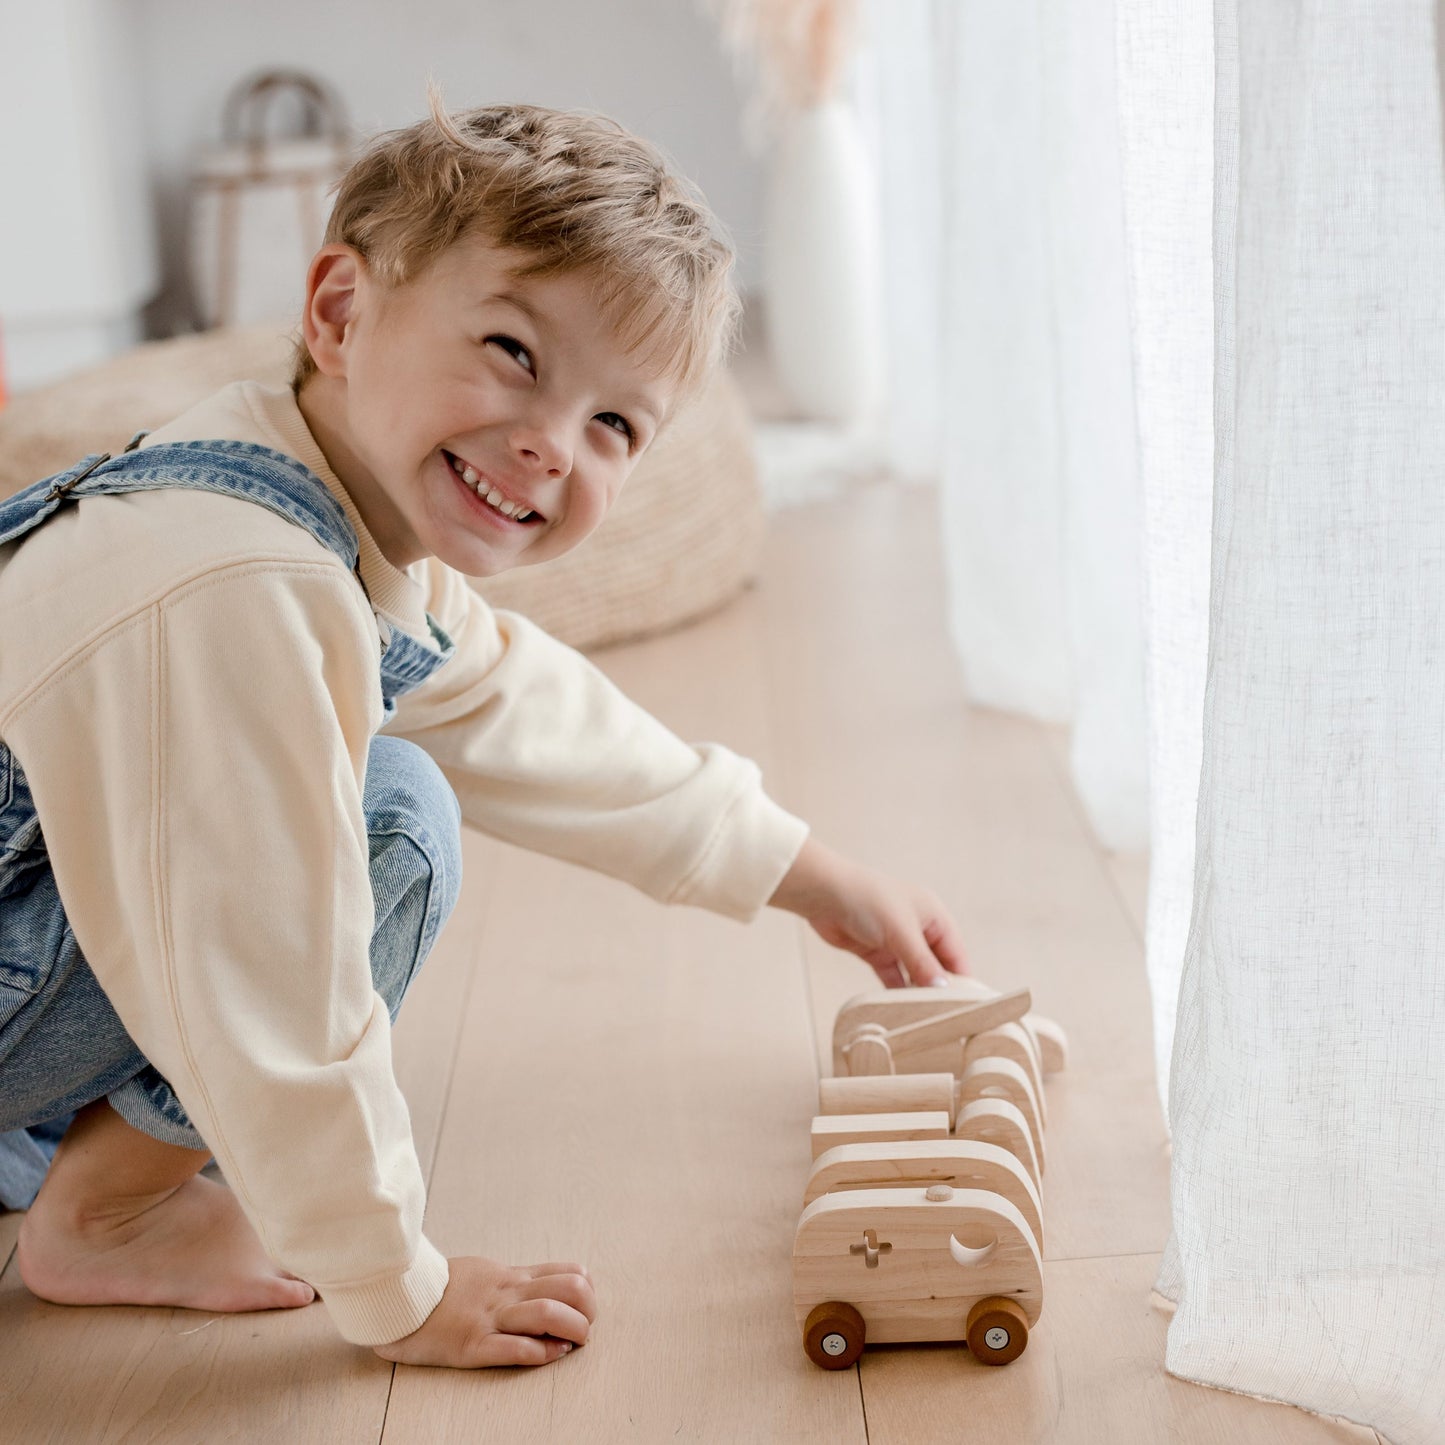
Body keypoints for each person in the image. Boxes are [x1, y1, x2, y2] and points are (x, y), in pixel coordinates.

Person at [0, 95, 967, 1370]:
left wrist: (804, 871)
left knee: (384, 779)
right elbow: (279, 987)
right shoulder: (244, 587)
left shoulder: (294, 491)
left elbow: (527, 710)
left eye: (614, 423)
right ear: (340, 312)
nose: (550, 445)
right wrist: (397, 1284)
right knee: (393, 818)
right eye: (514, 351)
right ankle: (111, 1211)